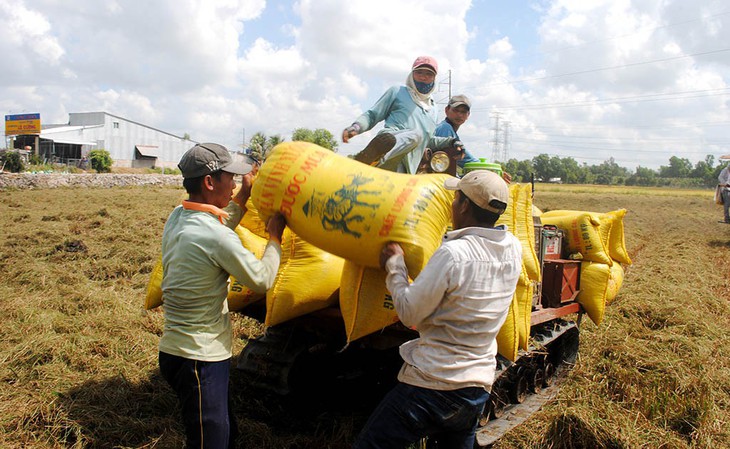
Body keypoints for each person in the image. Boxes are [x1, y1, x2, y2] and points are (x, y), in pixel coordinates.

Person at [353, 170, 523, 449]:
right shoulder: (513, 247)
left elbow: (409, 312)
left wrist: (395, 266)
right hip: (476, 387)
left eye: (456, 199)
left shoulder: (455, 254)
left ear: (465, 206)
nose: (453, 205)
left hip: (433, 384)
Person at [158, 143, 286, 449]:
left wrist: (244, 194)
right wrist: (275, 237)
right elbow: (262, 278)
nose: (234, 184)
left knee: (226, 432)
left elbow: (219, 222)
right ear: (209, 182)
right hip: (199, 359)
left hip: (175, 353)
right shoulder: (216, 236)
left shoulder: (178, 216)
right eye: (231, 177)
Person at [342, 56, 460, 174]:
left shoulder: (433, 108)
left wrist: (451, 141)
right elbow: (372, 115)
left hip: (407, 169)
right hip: (389, 153)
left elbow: (427, 140)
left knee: (418, 136)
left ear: (434, 78)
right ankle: (374, 157)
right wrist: (356, 127)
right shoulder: (398, 92)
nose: (423, 77)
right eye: (419, 72)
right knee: (415, 135)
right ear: (412, 74)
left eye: (429, 74)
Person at [434, 94, 479, 170]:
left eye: (463, 112)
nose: (459, 115)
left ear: (468, 115)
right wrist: (485, 167)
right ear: (447, 110)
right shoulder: (445, 128)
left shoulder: (450, 130)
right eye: (455, 110)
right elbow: (466, 160)